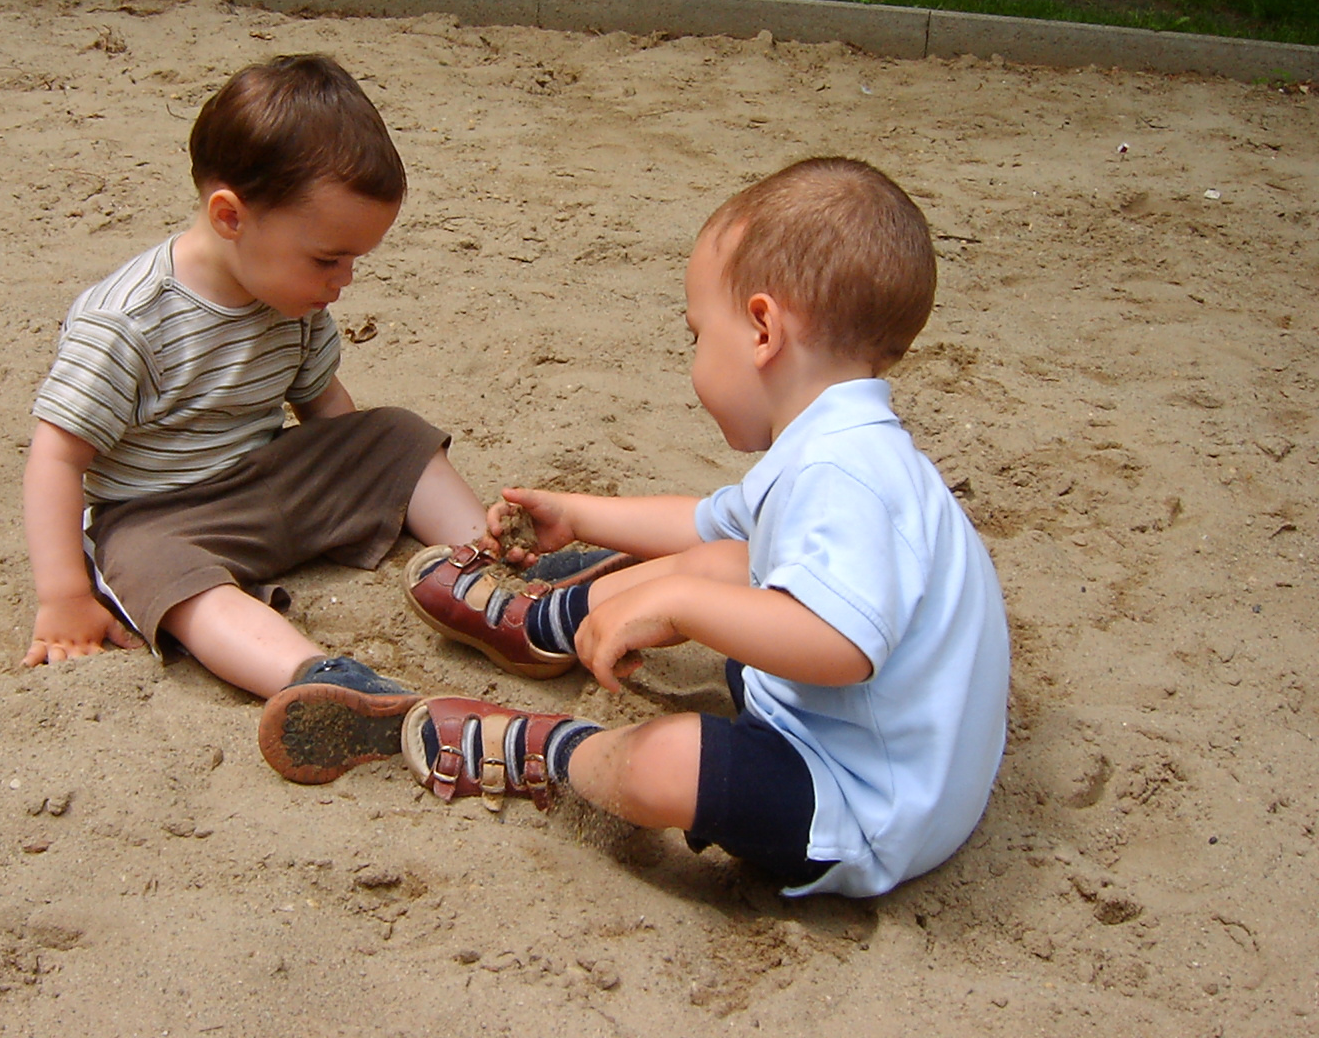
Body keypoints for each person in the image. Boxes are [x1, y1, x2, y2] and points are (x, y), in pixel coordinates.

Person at [262, 157, 1011, 897]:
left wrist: (676, 606)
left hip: (861, 805)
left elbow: (840, 648)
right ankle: (543, 622)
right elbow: (702, 524)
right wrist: (579, 514)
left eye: (696, 335)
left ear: (760, 330)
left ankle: (553, 751)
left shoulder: (841, 479)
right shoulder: (845, 448)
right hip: (896, 757)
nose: (693, 360)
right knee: (730, 558)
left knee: (665, 761)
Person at [21, 54, 490, 781]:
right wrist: (63, 596)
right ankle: (315, 677)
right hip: (163, 514)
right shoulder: (128, 322)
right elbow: (56, 458)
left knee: (394, 433)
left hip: (270, 476)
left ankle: (489, 573)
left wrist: (359, 475)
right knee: (159, 573)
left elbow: (325, 411)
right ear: (231, 217)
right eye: (328, 259)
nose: (344, 282)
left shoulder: (292, 297)